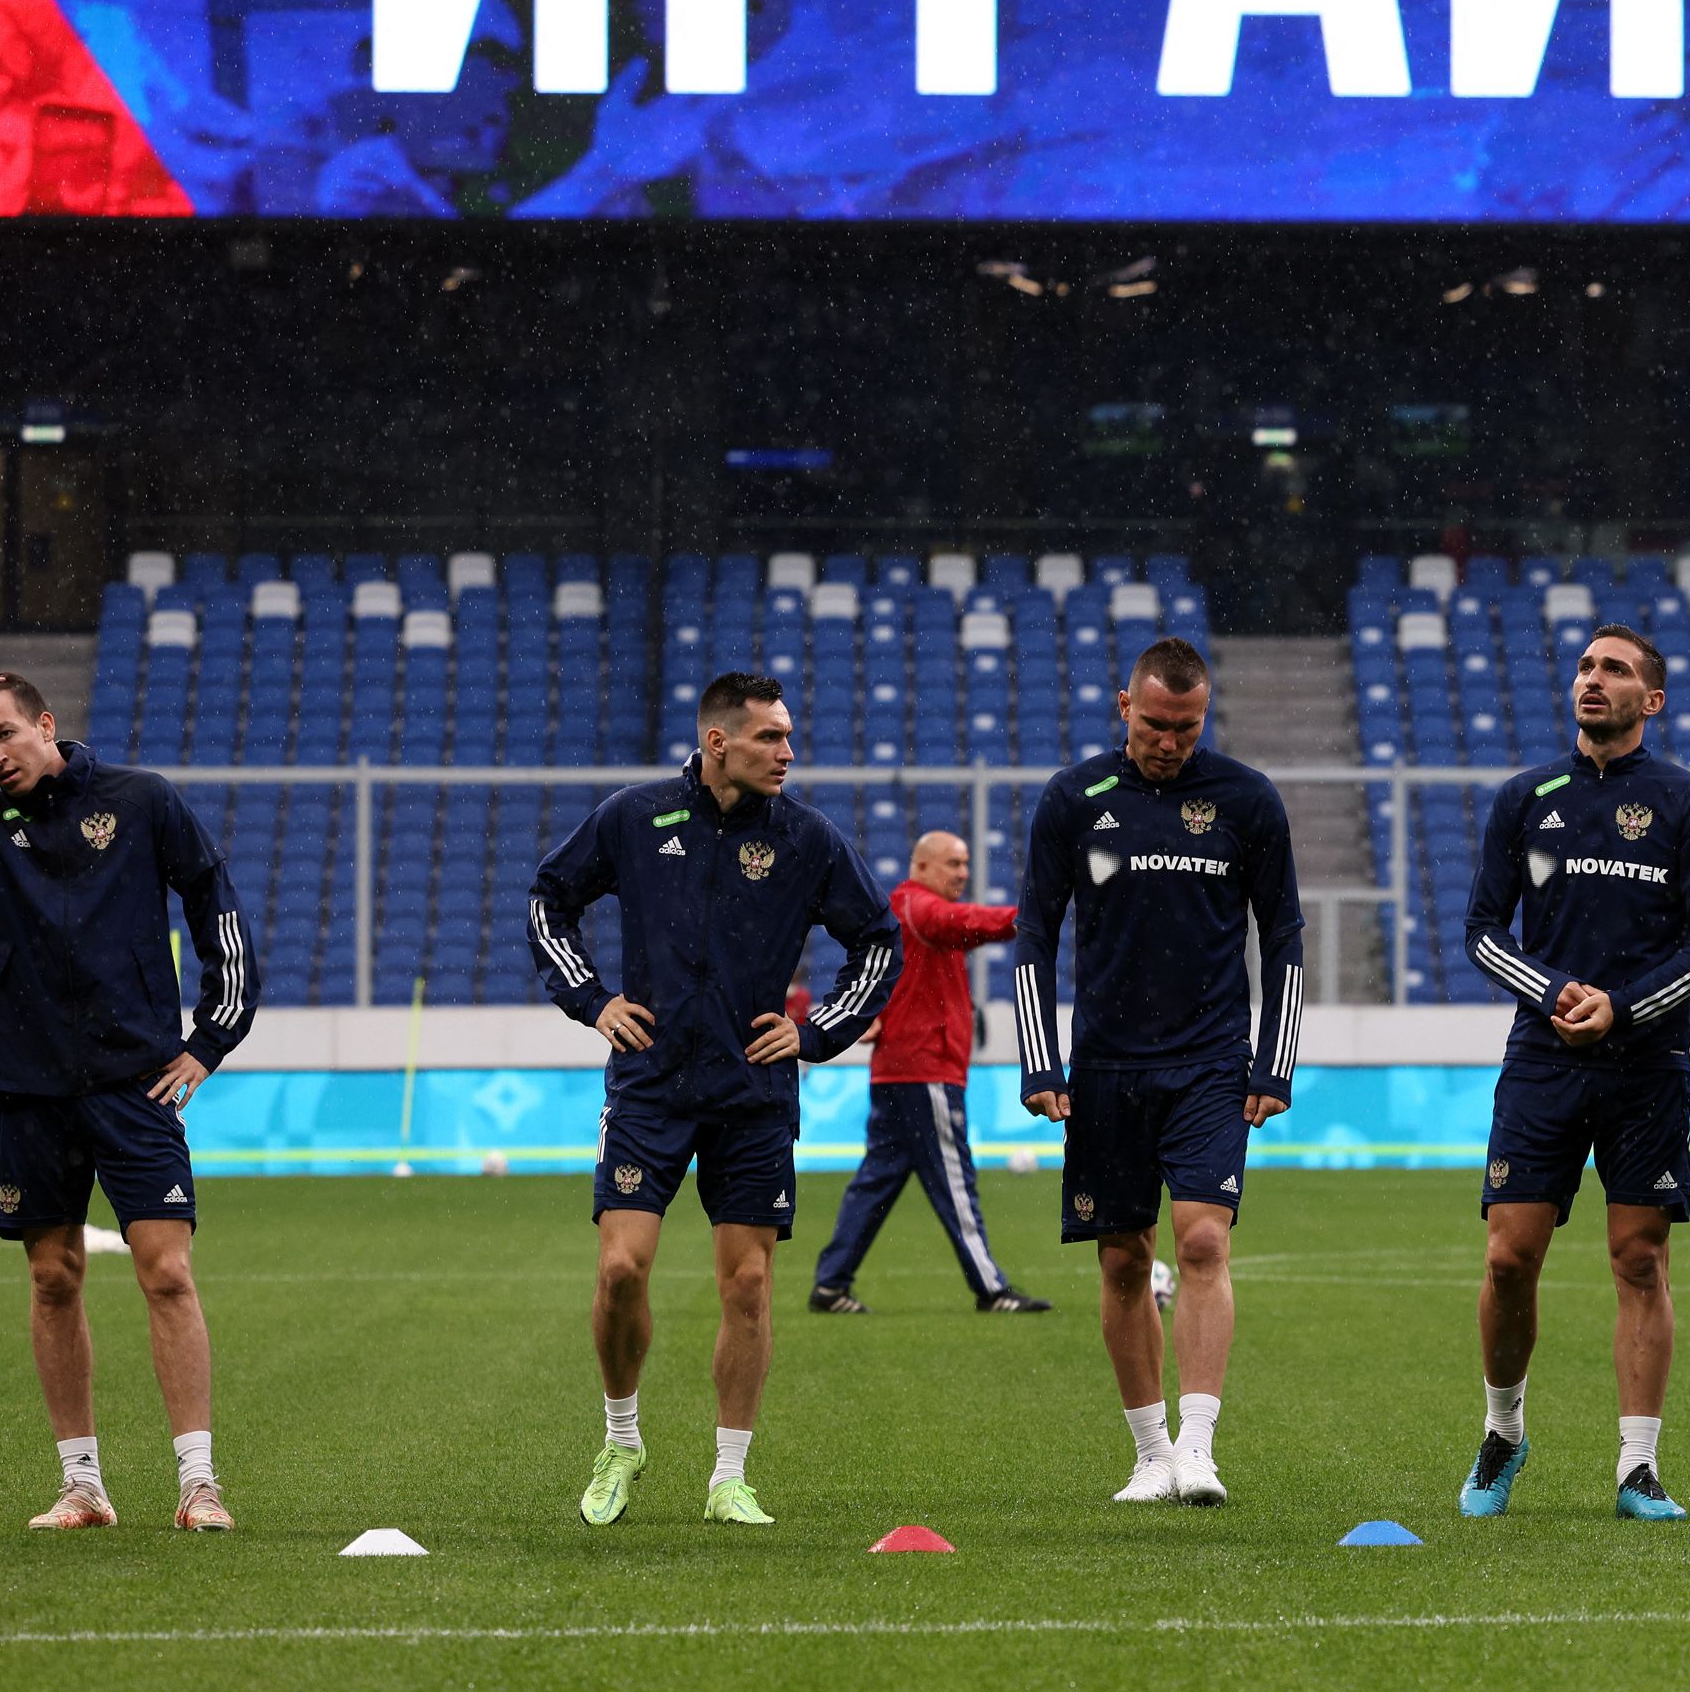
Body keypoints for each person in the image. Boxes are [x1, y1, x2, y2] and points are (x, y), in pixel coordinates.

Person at [0, 672, 254, 1530]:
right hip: (31, 1088)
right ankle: (83, 1485)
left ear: (47, 724)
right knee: (54, 1278)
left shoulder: (140, 800)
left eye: (5, 734)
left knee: (166, 1271)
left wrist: (212, 1036)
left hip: (135, 1082)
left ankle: (199, 1484)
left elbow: (214, 902)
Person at [528, 672, 900, 1528]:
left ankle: (729, 1474)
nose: (788, 752)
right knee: (621, 1269)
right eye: (771, 736)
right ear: (719, 741)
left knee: (749, 1286)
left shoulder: (808, 839)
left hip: (753, 1093)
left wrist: (817, 1032)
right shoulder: (634, 815)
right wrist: (593, 1000)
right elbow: (551, 899)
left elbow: (878, 942)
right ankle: (622, 1439)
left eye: (790, 736)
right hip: (650, 1087)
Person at [1456, 623, 1690, 1522]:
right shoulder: (1526, 798)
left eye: (1613, 670)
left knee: (1640, 1259)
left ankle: (1637, 1467)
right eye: (1584, 666)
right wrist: (1554, 994)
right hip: (1543, 1057)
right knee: (1509, 1257)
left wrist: (1623, 1006)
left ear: (1649, 700)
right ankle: (1504, 1431)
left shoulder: (1688, 804)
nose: (1592, 679)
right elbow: (1481, 931)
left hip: (1647, 1062)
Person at [1014, 636, 1304, 1509]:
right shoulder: (1074, 799)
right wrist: (1040, 1056)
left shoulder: (1247, 800)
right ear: (1123, 707)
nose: (1169, 741)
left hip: (1212, 1060)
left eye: (1187, 726)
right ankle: (1149, 1454)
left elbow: (1284, 935)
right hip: (1106, 1064)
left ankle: (1199, 1446)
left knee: (1204, 1241)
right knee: (1121, 1258)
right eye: (1154, 724)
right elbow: (1034, 932)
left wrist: (1274, 1060)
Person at [806, 828, 1048, 1314]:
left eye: (965, 864)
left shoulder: (901, 913)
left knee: (875, 1182)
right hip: (925, 1071)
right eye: (953, 864)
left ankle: (831, 1285)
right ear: (920, 867)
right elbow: (961, 921)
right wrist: (1030, 917)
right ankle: (991, 1288)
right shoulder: (917, 907)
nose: (963, 873)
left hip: (897, 1070)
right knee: (954, 1181)